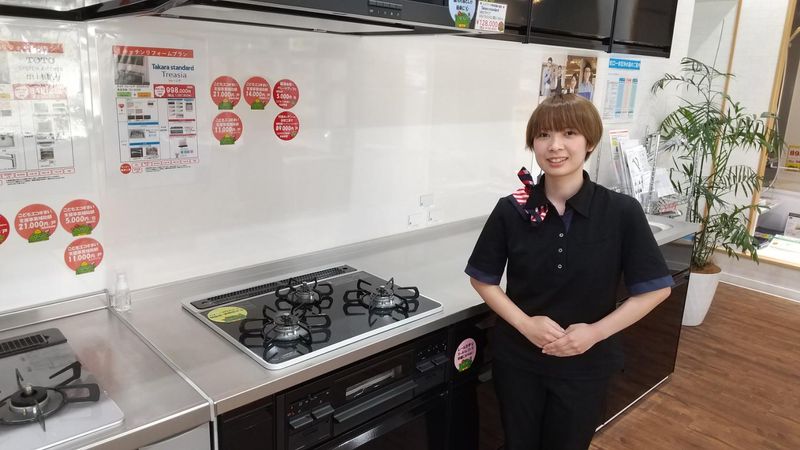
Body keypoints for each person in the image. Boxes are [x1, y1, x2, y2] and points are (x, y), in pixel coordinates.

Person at [465, 94, 672, 450]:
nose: (555, 146)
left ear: (589, 142)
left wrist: (595, 333)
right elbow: (482, 278)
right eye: (544, 135)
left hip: (586, 364)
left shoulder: (620, 212)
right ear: (532, 143)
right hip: (518, 361)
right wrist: (525, 324)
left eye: (569, 133)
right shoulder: (512, 209)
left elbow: (655, 289)